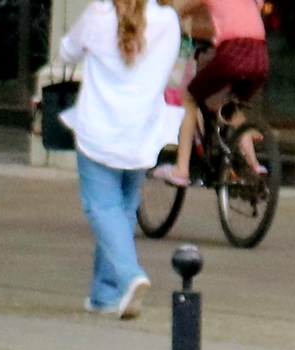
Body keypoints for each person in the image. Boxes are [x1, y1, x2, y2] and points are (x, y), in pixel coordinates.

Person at [56, 0, 184, 319]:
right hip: (141, 131)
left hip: (100, 130)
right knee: (123, 208)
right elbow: (168, 68)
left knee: (102, 208)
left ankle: (129, 275)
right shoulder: (167, 21)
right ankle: (105, 293)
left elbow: (67, 52)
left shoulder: (99, 15)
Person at [157, 0, 266, 188]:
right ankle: (253, 165)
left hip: (233, 52)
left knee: (189, 99)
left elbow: (177, 11)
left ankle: (181, 169)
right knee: (233, 109)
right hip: (260, 57)